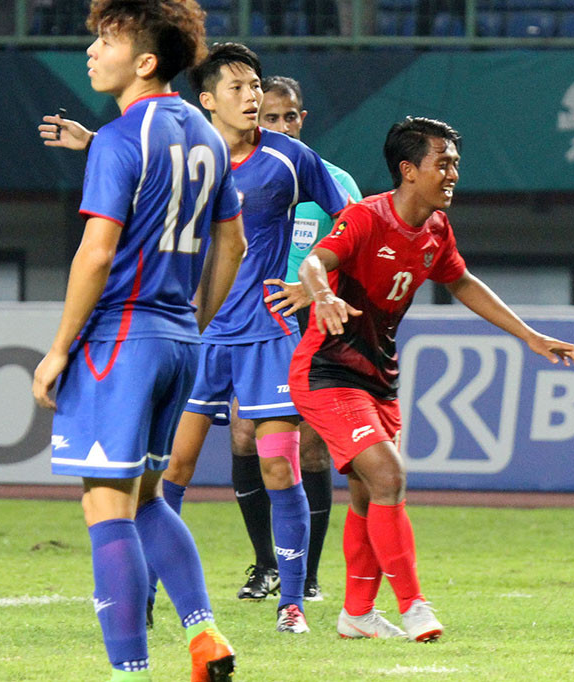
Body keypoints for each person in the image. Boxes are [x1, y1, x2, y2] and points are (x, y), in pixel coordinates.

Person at [290, 116, 574, 641]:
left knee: (366, 493)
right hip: (328, 370)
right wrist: (323, 292)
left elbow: (462, 282)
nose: (452, 173)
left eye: (454, 163)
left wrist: (529, 336)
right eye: (442, 163)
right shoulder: (365, 218)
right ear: (408, 170)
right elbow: (315, 263)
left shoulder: (435, 229)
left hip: (380, 377)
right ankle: (414, 607)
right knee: (388, 477)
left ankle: (356, 613)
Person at [31, 1, 246, 680]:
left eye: (107, 40)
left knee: (105, 504)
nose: (92, 51)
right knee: (148, 497)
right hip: (179, 337)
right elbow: (231, 242)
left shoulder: (123, 140)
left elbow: (96, 253)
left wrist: (60, 347)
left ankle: (129, 671)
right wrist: (195, 322)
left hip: (120, 337)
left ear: (146, 61)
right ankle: (205, 632)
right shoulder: (208, 138)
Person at [160, 42, 351, 634]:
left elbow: (353, 220)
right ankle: (144, 589)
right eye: (239, 89)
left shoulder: (292, 159)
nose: (252, 97)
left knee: (278, 470)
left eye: (256, 86)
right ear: (207, 100)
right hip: (199, 336)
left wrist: (312, 283)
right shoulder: (188, 158)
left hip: (269, 337)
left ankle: (291, 603)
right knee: (173, 470)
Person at [226, 74, 363, 603]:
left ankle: (304, 575)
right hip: (252, 323)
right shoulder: (240, 175)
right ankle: (265, 565)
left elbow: (357, 245)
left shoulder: (332, 180)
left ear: (302, 119)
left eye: (290, 117)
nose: (282, 126)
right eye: (270, 118)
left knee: (307, 450)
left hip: (312, 325)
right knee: (242, 434)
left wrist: (313, 292)